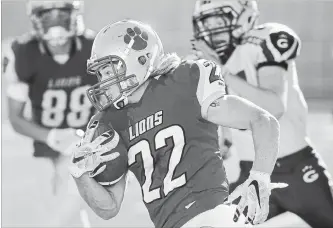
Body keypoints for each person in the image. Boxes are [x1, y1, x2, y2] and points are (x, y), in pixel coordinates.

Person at [68, 19, 282, 228]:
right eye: (100, 73)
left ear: (139, 60)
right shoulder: (110, 122)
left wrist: (259, 177)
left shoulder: (182, 83)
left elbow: (263, 121)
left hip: (214, 216)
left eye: (109, 70)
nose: (103, 81)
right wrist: (81, 174)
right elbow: (109, 208)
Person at [191, 0, 333, 227]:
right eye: (207, 22)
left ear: (244, 16)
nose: (212, 30)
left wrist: (223, 72)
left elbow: (274, 106)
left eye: (220, 20)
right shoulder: (213, 60)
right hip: (253, 174)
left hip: (298, 171)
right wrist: (225, 138)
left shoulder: (265, 40)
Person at [2, 0, 96, 226]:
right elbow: (15, 118)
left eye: (61, 16)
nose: (55, 24)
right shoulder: (23, 53)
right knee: (40, 214)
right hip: (41, 144)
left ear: (74, 15)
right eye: (47, 16)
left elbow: (113, 105)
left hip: (85, 144)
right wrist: (52, 136)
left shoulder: (95, 48)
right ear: (35, 19)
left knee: (70, 211)